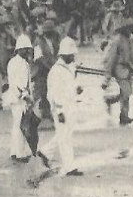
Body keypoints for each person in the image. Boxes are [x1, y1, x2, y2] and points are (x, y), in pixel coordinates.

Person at [44, 36, 83, 176]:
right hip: (61, 108)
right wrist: (59, 111)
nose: (73, 58)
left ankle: (45, 152)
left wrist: (76, 89)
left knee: (64, 134)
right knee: (65, 138)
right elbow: (54, 94)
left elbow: (69, 86)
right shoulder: (56, 71)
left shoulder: (68, 68)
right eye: (71, 55)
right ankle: (69, 167)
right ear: (64, 55)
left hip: (70, 106)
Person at [102, 22, 133, 126]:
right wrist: (107, 77)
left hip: (128, 68)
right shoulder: (117, 40)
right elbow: (111, 58)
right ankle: (124, 115)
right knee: (126, 92)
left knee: (127, 92)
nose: (129, 30)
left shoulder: (131, 41)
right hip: (119, 67)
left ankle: (111, 100)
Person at [5, 35, 35, 161]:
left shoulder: (24, 63)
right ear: (18, 49)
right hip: (17, 98)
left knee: (18, 125)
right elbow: (15, 83)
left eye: (28, 49)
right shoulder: (14, 63)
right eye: (24, 49)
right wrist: (25, 96)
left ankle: (15, 150)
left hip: (22, 97)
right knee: (20, 125)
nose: (27, 51)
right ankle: (19, 153)